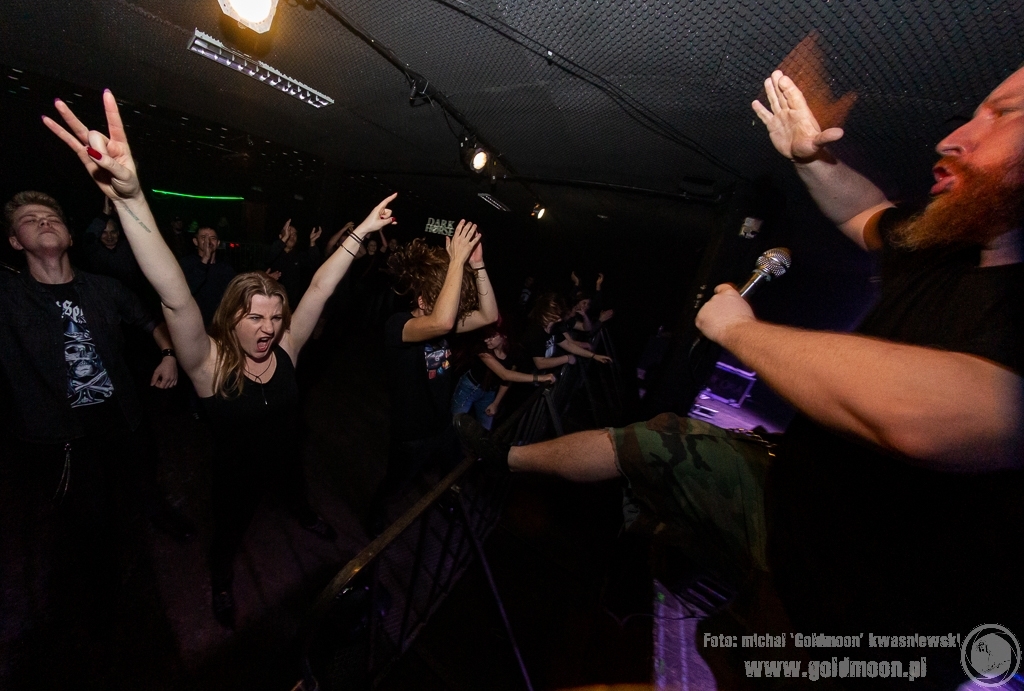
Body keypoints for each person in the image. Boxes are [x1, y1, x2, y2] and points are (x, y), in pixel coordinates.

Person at [459, 67, 1024, 684]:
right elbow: (868, 214)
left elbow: (941, 415)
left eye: (1003, 113)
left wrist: (741, 333)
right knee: (657, 439)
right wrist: (811, 161)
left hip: (867, 616)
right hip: (792, 510)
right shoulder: (946, 250)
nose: (952, 138)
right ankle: (501, 457)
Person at [42, 89, 399, 629]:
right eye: (254, 317)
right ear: (231, 318)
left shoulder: (287, 347)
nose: (268, 328)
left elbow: (320, 290)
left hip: (285, 453)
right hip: (235, 471)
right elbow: (173, 294)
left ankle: (303, 514)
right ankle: (223, 577)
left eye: (274, 317)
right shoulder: (208, 364)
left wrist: (361, 235)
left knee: (296, 491)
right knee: (231, 526)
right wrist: (132, 199)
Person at [0, 189, 184, 685]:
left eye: (52, 216)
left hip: (121, 418)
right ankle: (99, 608)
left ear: (68, 233)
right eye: (30, 219)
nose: (44, 221)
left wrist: (168, 354)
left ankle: (152, 520)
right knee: (88, 525)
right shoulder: (9, 297)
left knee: (136, 484)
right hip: (62, 437)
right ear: (14, 241)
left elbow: (150, 321)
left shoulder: (104, 288)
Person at [366, 223, 499, 534]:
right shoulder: (398, 325)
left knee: (452, 473)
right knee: (396, 484)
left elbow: (489, 315)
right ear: (424, 301)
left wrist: (478, 265)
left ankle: (445, 501)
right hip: (411, 434)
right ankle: (374, 516)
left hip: (442, 425)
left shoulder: (445, 323)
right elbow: (442, 321)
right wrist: (456, 262)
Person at [451, 324, 556, 430]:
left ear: (504, 335)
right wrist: (540, 378)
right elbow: (504, 374)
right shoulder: (482, 349)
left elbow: (508, 379)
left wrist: (495, 403)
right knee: (458, 424)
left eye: (491, 336)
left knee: (485, 428)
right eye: (485, 336)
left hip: (489, 392)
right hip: (469, 388)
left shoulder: (513, 351)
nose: (486, 340)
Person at [521, 291, 612, 371]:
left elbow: (568, 345)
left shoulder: (553, 328)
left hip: (542, 376)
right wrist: (567, 358)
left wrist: (594, 356)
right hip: (528, 375)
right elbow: (540, 363)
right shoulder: (535, 332)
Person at [180, 225, 236, 327]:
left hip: (218, 323)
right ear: (195, 241)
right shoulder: (187, 263)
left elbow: (234, 294)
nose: (208, 241)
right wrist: (205, 259)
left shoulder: (225, 268)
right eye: (203, 238)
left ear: (218, 243)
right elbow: (186, 290)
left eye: (212, 238)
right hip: (194, 323)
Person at [264, 219, 323, 307]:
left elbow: (314, 263)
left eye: (294, 234)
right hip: (271, 301)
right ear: (280, 236)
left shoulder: (298, 255)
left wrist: (312, 242)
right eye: (288, 233)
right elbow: (267, 259)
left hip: (292, 304)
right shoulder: (273, 252)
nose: (292, 236)